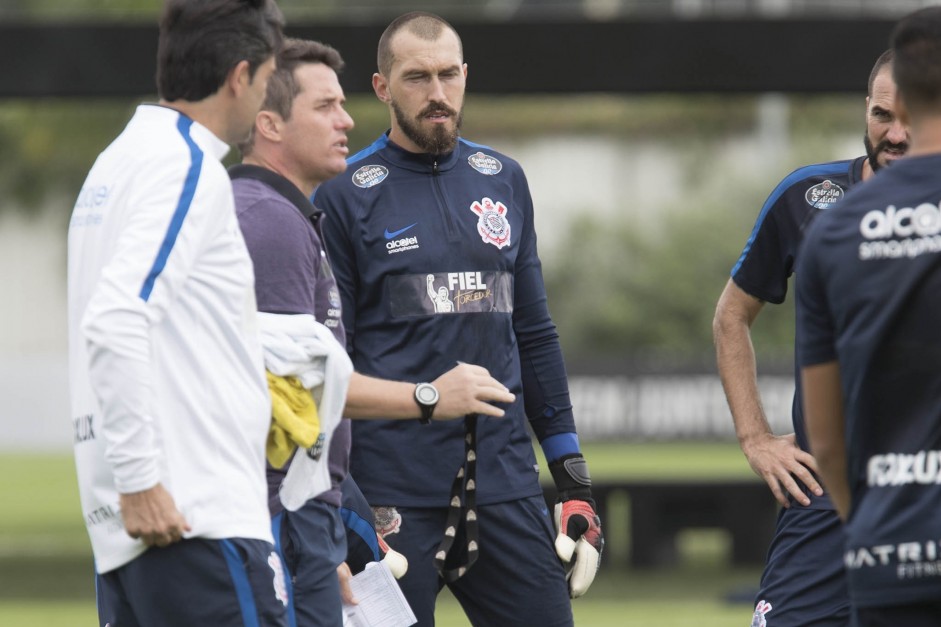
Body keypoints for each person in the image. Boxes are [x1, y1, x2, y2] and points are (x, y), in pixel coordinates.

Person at [315, 12, 604, 627]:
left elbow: (534, 333)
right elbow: (324, 366)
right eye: (417, 77)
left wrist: (573, 481)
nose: (438, 94)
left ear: (466, 76)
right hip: (389, 496)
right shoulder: (342, 195)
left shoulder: (504, 179)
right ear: (383, 87)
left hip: (505, 486)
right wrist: (341, 499)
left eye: (449, 75)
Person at [230, 37, 515, 627]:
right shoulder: (270, 221)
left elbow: (536, 328)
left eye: (342, 103)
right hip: (290, 515)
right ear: (269, 124)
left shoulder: (290, 215)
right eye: (325, 107)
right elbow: (297, 392)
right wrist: (428, 397)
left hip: (313, 512)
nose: (347, 119)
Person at [66, 1, 286, 625]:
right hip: (195, 524)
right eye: (268, 80)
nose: (266, 100)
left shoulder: (115, 162)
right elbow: (115, 318)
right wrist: (139, 478)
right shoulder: (187, 165)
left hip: (137, 533)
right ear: (240, 76)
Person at [712, 50, 909, 626]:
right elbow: (730, 317)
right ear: (865, 110)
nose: (895, 134)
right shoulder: (808, 196)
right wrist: (755, 438)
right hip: (824, 494)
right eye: (881, 115)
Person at [799, 8, 941, 624]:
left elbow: (828, 445)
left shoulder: (831, 232)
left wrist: (875, 525)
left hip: (887, 552)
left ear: (901, 95)